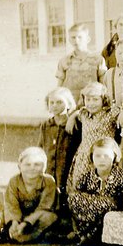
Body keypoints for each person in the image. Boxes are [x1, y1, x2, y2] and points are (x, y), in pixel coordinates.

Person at [68, 138, 123, 246]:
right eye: (97, 156)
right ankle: (85, 234)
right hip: (90, 213)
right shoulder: (87, 176)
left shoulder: (122, 175)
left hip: (112, 211)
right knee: (73, 198)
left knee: (105, 204)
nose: (102, 160)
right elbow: (77, 194)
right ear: (92, 157)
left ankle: (94, 236)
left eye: (106, 156)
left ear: (115, 156)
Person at [66, 82, 121, 193]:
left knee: (101, 185)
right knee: (80, 184)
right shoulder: (84, 114)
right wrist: (72, 116)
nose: (91, 103)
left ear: (103, 99)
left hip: (103, 155)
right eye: (88, 99)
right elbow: (79, 111)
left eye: (95, 99)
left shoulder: (110, 113)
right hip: (84, 155)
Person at [2, 147, 57, 243]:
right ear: (20, 166)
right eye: (27, 164)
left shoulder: (49, 181)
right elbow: (11, 205)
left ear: (44, 166)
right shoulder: (14, 181)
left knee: (50, 218)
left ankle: (25, 237)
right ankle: (12, 233)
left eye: (37, 164)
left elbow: (45, 207)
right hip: (18, 217)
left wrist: (26, 223)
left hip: (36, 219)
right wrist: (14, 222)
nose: (32, 168)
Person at [37, 87, 78, 215]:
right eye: (52, 103)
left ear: (69, 104)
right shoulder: (46, 125)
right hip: (49, 167)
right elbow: (40, 147)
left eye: (59, 102)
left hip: (67, 168)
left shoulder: (74, 124)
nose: (55, 106)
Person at [56, 23, 106, 102]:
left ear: (88, 39)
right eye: (73, 37)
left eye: (80, 37)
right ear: (69, 40)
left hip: (91, 102)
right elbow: (59, 86)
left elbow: (103, 85)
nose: (76, 40)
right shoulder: (64, 60)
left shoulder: (98, 59)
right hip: (71, 102)